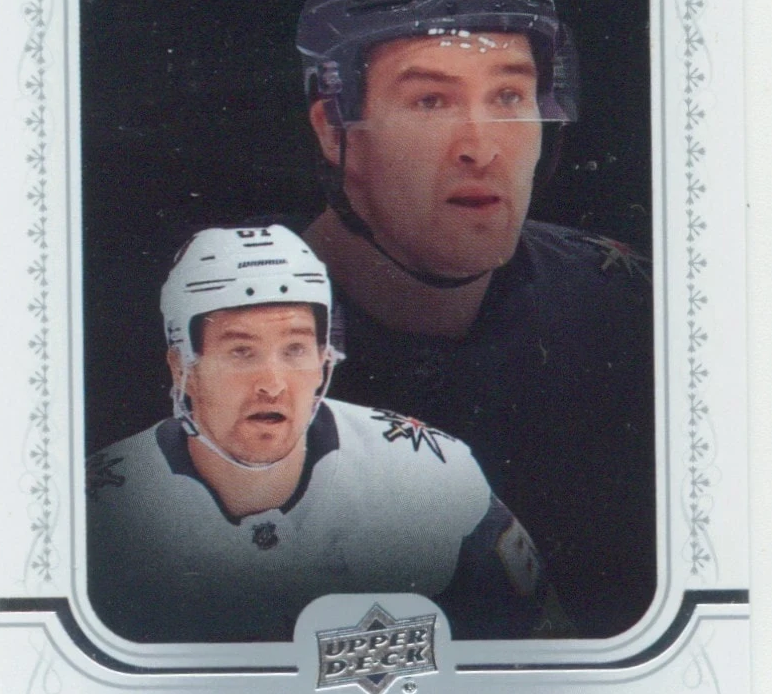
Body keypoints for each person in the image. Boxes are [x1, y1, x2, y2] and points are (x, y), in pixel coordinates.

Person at [296, 0, 655, 637]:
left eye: (509, 97)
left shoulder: (626, 302)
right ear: (335, 128)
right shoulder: (226, 339)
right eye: (429, 101)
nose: (481, 148)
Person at [86, 224, 568, 644]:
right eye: (241, 352)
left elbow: (542, 644)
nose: (273, 384)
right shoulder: (98, 509)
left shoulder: (429, 475)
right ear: (183, 367)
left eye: (295, 349)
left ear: (323, 360)